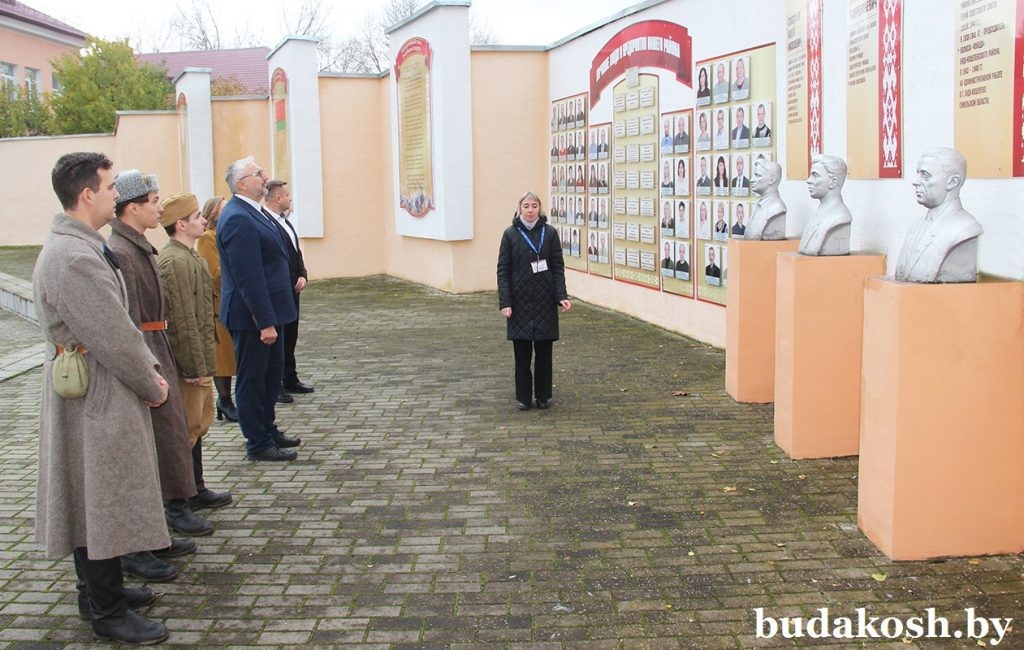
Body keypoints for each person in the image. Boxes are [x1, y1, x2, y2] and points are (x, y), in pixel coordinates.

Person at [35, 152, 171, 645]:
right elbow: (114, 334)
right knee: (99, 498)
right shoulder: (74, 257)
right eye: (111, 186)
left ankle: (97, 593)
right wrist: (151, 381)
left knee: (92, 497)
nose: (117, 194)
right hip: (97, 393)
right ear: (87, 193)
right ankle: (106, 610)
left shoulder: (78, 246)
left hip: (92, 388)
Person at [108, 170, 211, 574]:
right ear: (133, 208)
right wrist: (147, 368)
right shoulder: (122, 250)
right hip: (146, 351)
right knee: (152, 448)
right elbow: (126, 320)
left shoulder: (137, 246)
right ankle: (145, 539)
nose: (159, 209)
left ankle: (159, 529)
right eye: (153, 202)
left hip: (156, 346)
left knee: (168, 440)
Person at [216, 156, 300, 462]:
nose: (265, 177)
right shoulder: (237, 217)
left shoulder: (255, 211)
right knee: (253, 380)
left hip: (271, 313)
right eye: (258, 173)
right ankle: (257, 443)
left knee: (269, 378)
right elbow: (248, 276)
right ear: (241, 184)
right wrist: (264, 321)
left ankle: (268, 429)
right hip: (253, 317)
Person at [156, 193, 234, 516]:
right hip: (188, 365)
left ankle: (196, 487)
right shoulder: (174, 262)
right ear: (180, 225)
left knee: (197, 425)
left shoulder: (189, 257)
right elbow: (182, 320)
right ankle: (181, 498)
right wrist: (194, 367)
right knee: (186, 430)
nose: (203, 220)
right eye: (195, 217)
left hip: (199, 357)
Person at [496, 192, 571, 411]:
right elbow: (503, 271)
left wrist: (561, 296)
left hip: (544, 301)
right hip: (519, 303)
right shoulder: (510, 234)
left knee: (544, 353)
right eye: (526, 206)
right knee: (522, 354)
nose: (530, 210)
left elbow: (557, 267)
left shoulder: (550, 233)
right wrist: (505, 302)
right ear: (520, 208)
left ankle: (543, 396)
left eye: (534, 205)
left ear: (540, 208)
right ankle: (523, 397)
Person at [894, 148, 983, 282]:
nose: (915, 181)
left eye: (925, 175)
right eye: (918, 173)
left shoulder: (965, 229)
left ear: (952, 182)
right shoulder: (915, 226)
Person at [264, 180, 313, 399]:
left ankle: (290, 377)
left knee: (291, 334)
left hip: (293, 288)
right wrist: (292, 279)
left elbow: (295, 253)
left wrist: (303, 274)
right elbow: (275, 259)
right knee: (280, 338)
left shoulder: (285, 221)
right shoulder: (267, 223)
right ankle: (276, 385)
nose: (290, 198)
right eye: (286, 195)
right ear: (277, 198)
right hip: (280, 289)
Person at [196, 197, 238, 421]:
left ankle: (226, 400)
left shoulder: (221, 234)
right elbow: (214, 272)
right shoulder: (207, 237)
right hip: (218, 302)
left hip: (227, 300)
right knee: (222, 355)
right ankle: (224, 400)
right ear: (213, 213)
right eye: (223, 208)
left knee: (228, 354)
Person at [798, 154, 853, 255]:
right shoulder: (819, 214)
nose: (808, 180)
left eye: (815, 175)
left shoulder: (840, 217)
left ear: (833, 182)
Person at [746, 159, 788, 240]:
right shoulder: (759, 205)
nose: (752, 180)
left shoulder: (777, 209)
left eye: (758, 175)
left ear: (772, 180)